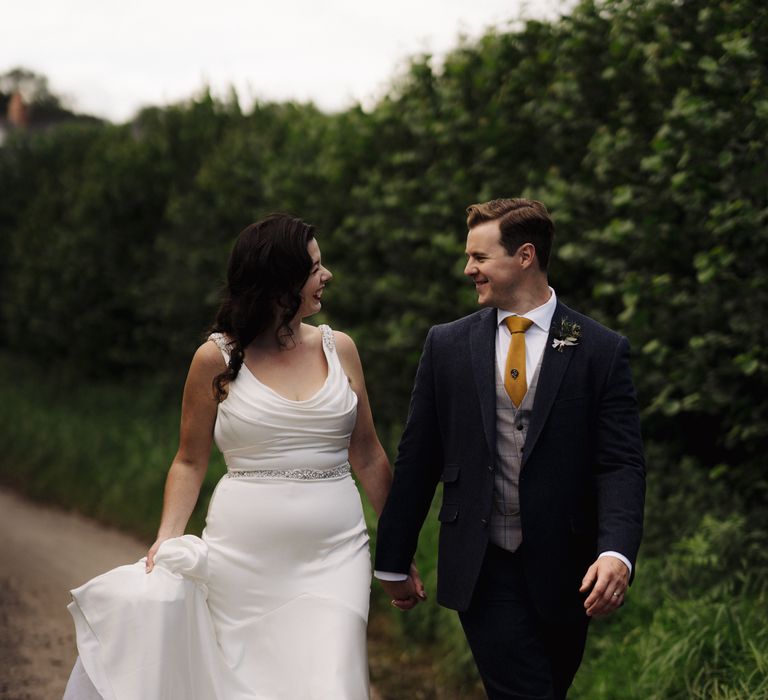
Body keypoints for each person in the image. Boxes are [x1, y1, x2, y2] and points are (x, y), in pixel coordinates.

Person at [63, 213, 412, 700]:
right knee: (246, 684)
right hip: (242, 559)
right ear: (278, 282)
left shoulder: (341, 349)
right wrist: (167, 540)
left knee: (334, 681)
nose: (326, 275)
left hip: (336, 553)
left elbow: (369, 454)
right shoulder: (217, 358)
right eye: (314, 267)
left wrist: (399, 550)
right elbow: (189, 460)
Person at [374, 198, 645, 699]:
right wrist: (393, 557)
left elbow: (619, 463)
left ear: (524, 256)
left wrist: (616, 552)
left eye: (479, 257)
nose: (468, 268)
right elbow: (419, 458)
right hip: (482, 564)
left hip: (569, 570)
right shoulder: (447, 345)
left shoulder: (600, 348)